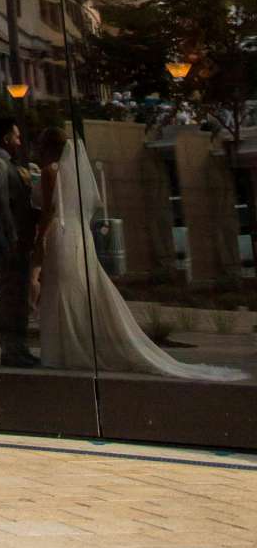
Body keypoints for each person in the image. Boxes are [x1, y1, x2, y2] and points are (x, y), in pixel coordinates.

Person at [33, 126, 244, 383]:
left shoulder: (49, 173)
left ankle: (64, 351)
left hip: (60, 236)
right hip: (80, 237)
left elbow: (48, 213)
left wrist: (38, 242)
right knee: (76, 291)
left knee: (61, 292)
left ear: (48, 148)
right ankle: (77, 347)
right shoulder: (74, 174)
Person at [0, 115, 39, 367]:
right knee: (11, 296)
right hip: (12, 245)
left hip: (20, 242)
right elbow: (1, 205)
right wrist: (11, 238)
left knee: (19, 295)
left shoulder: (9, 164)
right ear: (6, 138)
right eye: (16, 137)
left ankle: (19, 346)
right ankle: (11, 349)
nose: (19, 141)